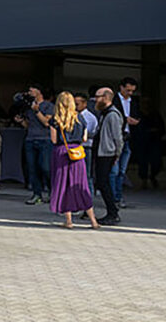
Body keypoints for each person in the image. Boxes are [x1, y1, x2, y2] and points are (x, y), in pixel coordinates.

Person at [49, 92, 98, 229]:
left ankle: (69, 221)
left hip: (62, 152)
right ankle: (93, 220)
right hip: (77, 153)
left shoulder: (55, 120)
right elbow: (84, 138)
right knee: (81, 185)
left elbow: (53, 140)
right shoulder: (80, 119)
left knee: (63, 185)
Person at [92, 88, 124, 226]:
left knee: (104, 182)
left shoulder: (112, 115)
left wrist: (117, 153)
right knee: (101, 182)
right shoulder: (104, 113)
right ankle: (111, 211)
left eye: (98, 97)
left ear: (105, 97)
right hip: (101, 152)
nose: (95, 100)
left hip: (107, 153)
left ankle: (113, 212)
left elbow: (118, 137)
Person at [18, 84, 54, 205]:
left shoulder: (49, 106)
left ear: (39, 91)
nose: (29, 91)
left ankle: (52, 191)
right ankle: (36, 194)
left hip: (45, 139)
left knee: (45, 167)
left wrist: (37, 111)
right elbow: (29, 125)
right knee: (32, 168)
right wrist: (22, 121)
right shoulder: (29, 107)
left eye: (32, 89)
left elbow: (47, 123)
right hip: (30, 138)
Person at [76, 93, 99, 193]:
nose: (75, 106)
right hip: (77, 147)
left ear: (84, 103)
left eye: (77, 104)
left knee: (86, 173)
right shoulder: (74, 115)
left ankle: (88, 196)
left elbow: (86, 134)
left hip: (85, 147)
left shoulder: (89, 117)